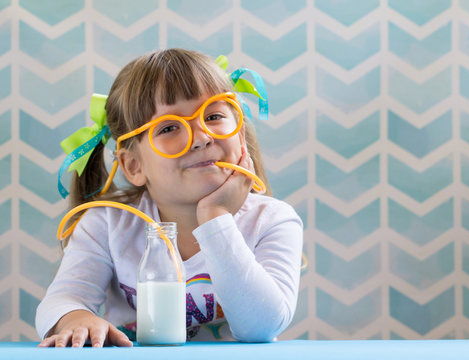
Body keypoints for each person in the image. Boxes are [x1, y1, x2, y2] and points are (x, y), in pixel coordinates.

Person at [35, 48, 303, 347]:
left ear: (240, 136)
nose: (201, 137)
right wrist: (74, 318)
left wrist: (216, 218)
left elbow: (262, 327)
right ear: (133, 166)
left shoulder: (272, 220)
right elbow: (61, 298)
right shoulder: (107, 224)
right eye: (170, 127)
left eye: (214, 115)